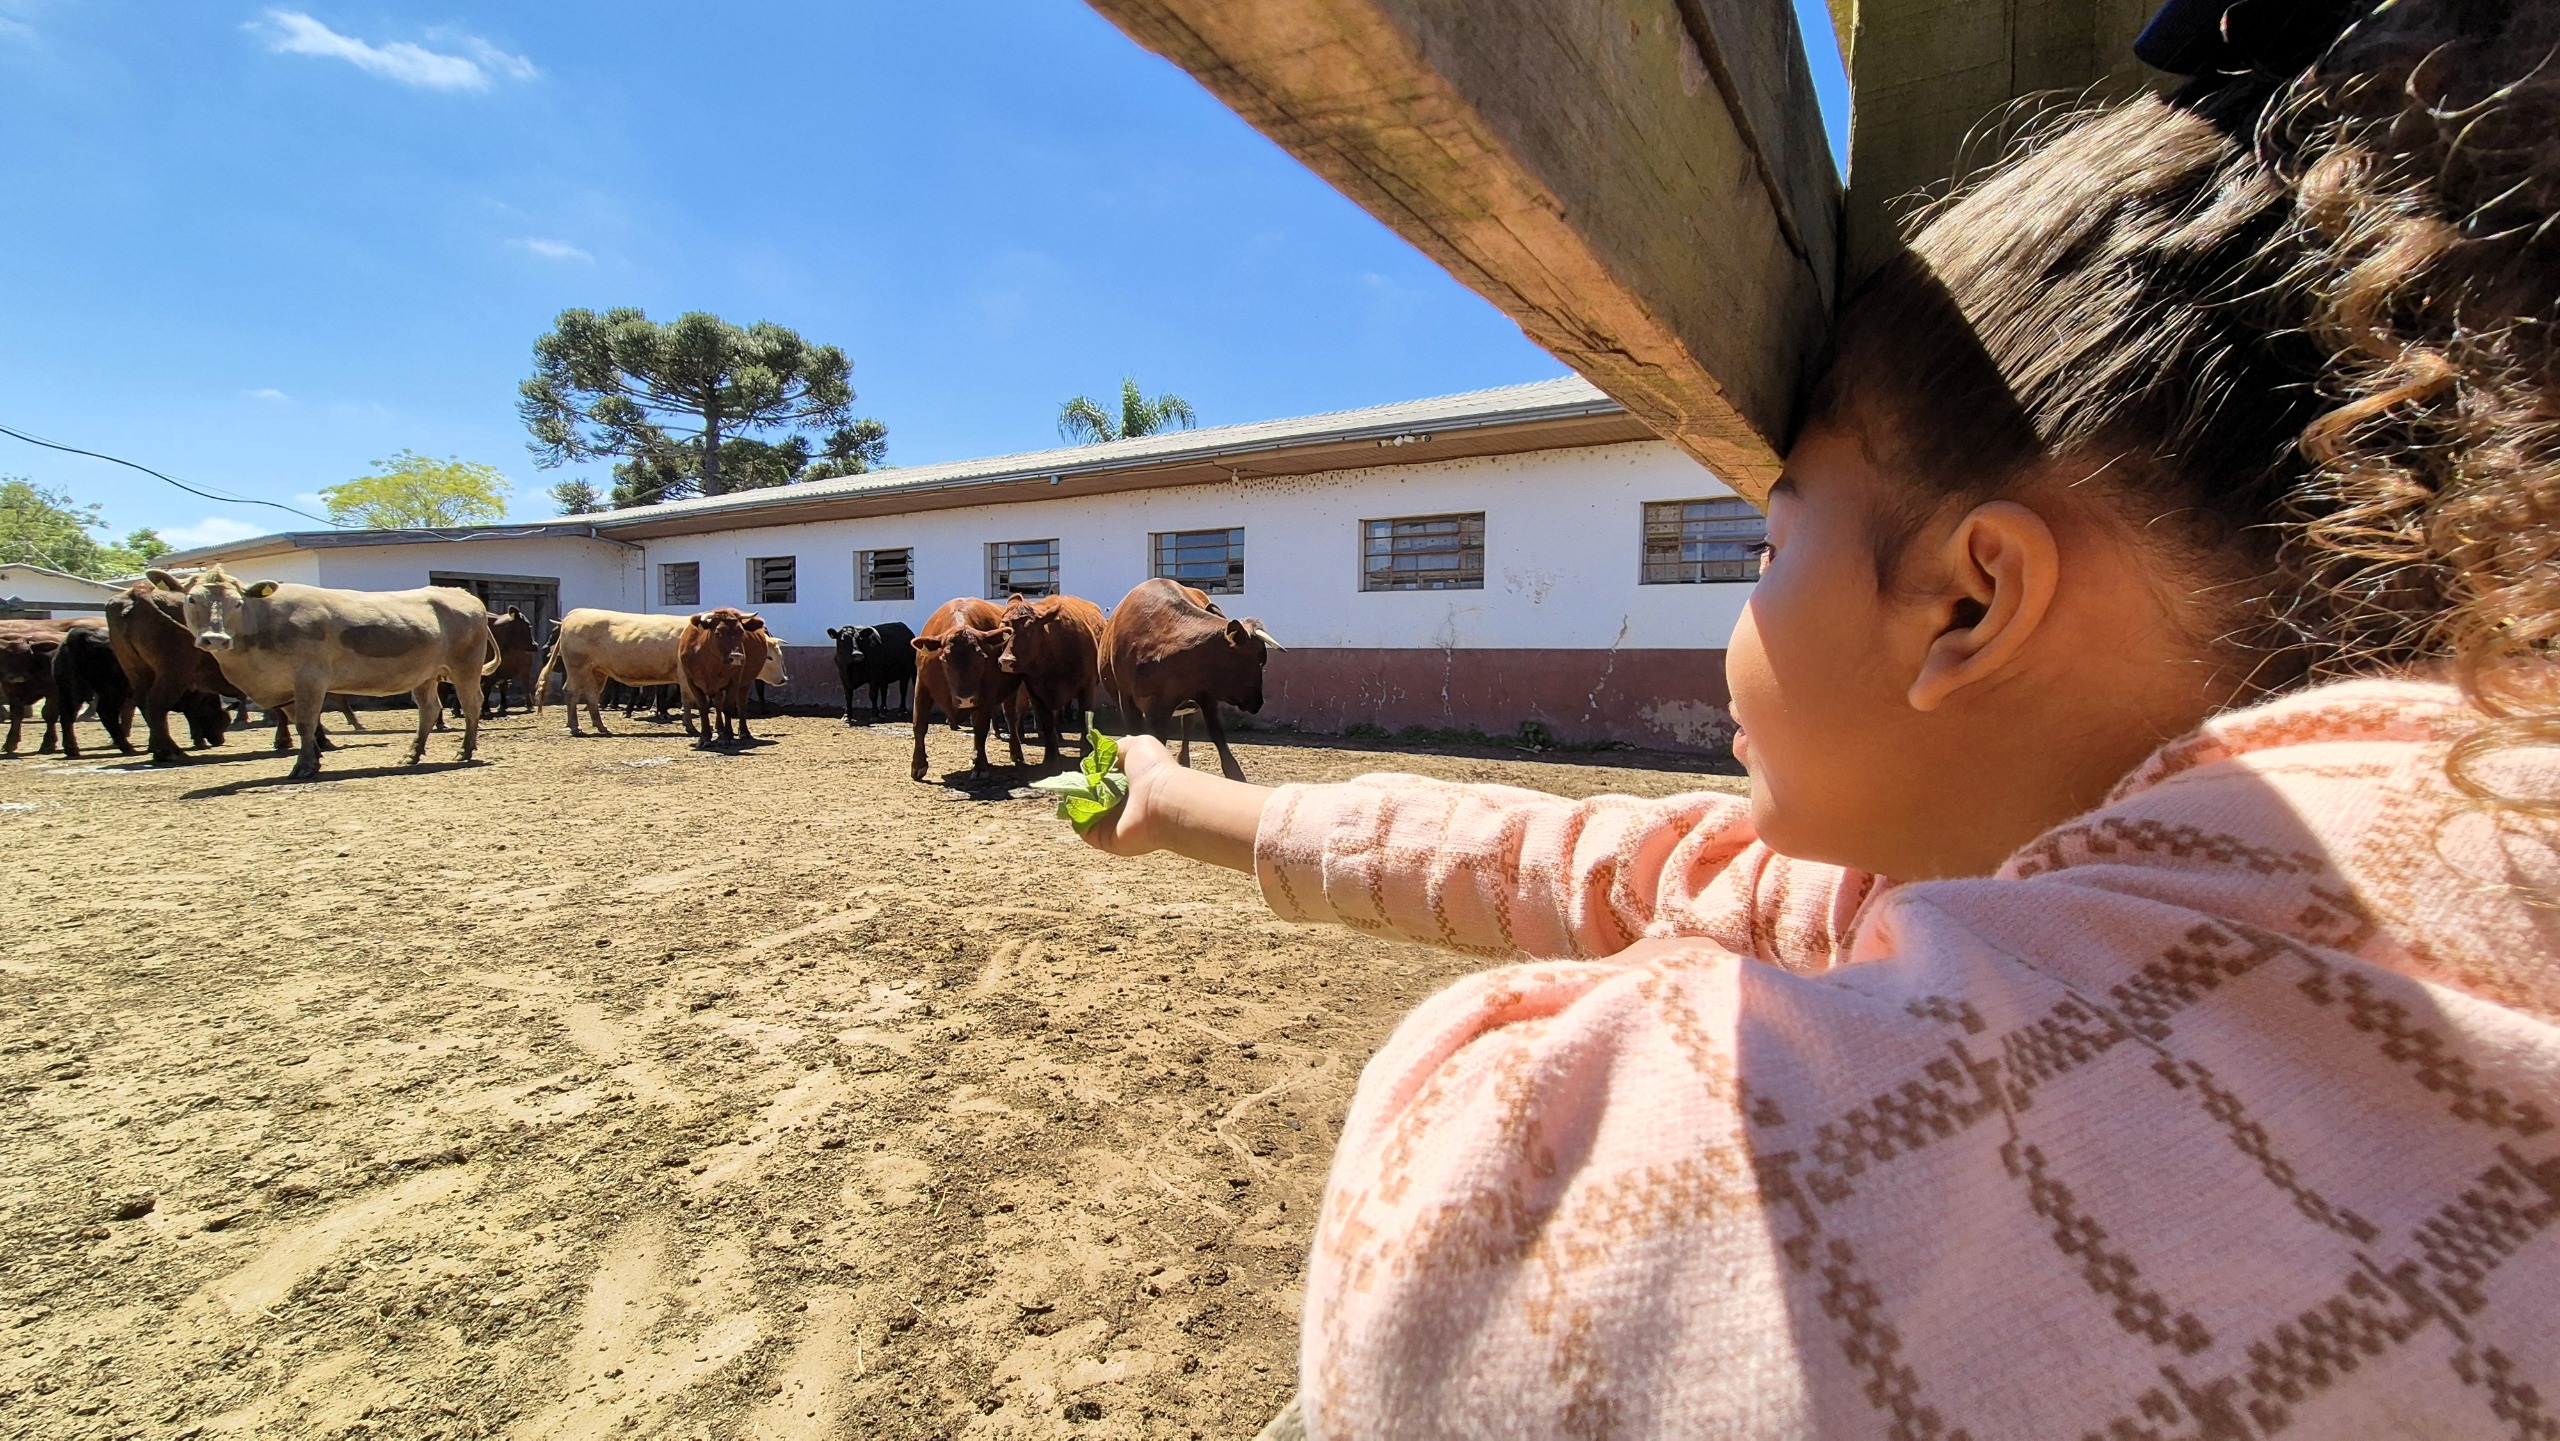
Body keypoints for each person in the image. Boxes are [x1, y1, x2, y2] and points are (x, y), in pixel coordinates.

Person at [1079, 0, 2560, 1434]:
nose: (1740, 604)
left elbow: (1454, 1267)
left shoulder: (2163, 1100)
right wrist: (1201, 807)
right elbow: (1641, 866)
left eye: (1767, 544)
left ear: (1969, 602)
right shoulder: (2413, 846)